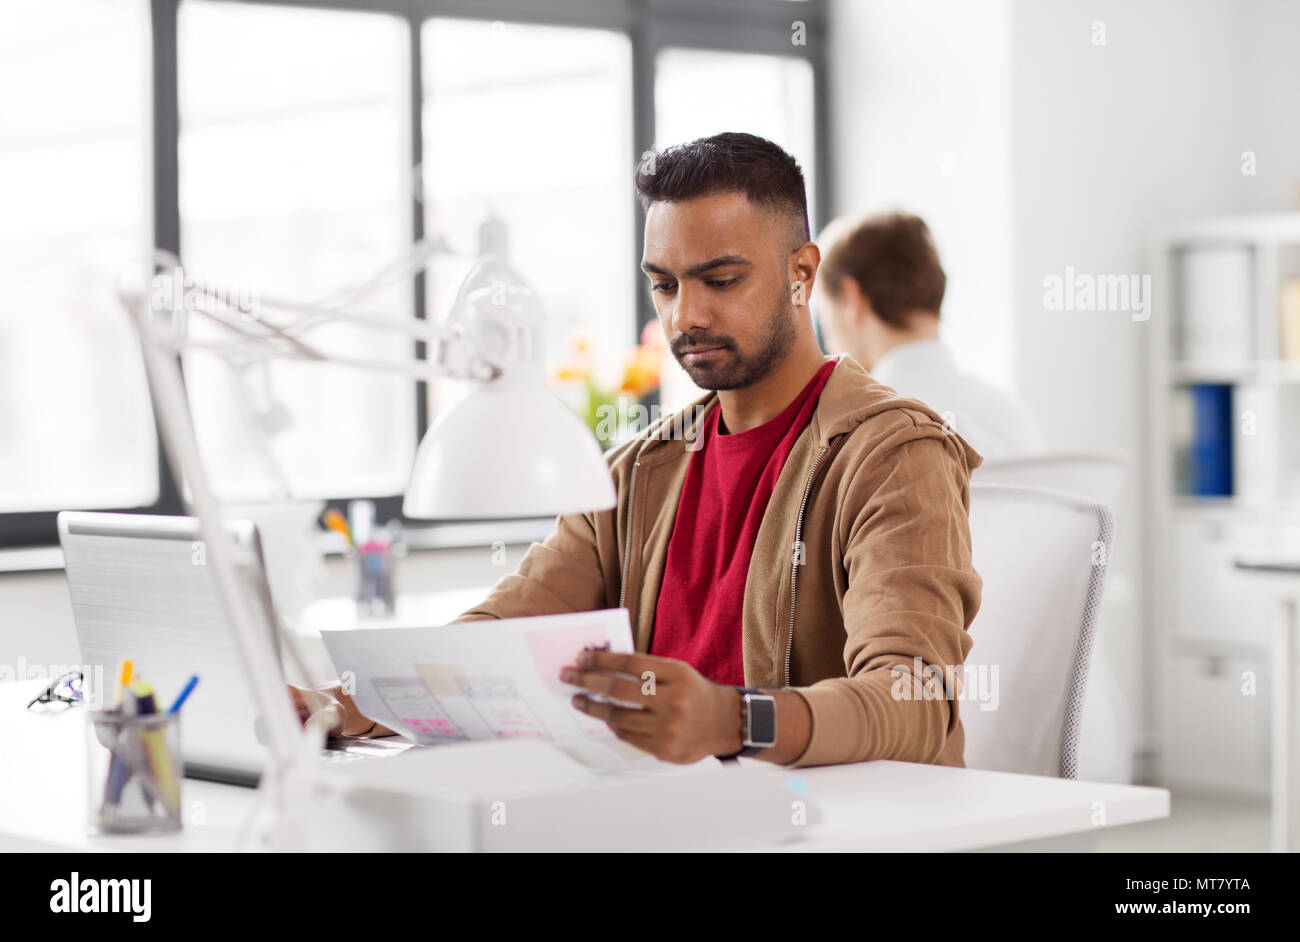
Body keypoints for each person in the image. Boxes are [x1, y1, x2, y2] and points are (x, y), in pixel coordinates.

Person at [296, 133, 984, 769]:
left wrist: (735, 719)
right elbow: (507, 627)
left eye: (720, 281)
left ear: (803, 274)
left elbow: (914, 697)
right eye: (664, 284)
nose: (685, 316)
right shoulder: (636, 472)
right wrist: (350, 704)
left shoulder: (894, 453)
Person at [814, 211, 1043, 460]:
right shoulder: (1009, 416)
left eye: (824, 313)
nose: (828, 340)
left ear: (850, 297)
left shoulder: (852, 431)